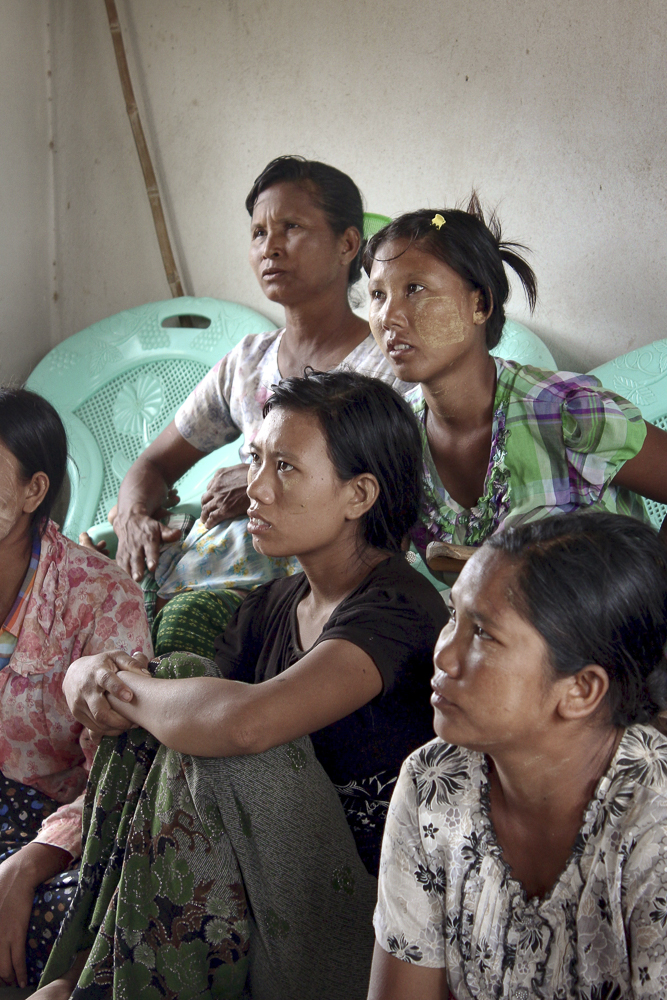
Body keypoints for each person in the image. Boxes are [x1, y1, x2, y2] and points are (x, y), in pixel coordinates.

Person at [33, 371, 448, 1000]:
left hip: (362, 935)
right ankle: (86, 977)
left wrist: (120, 683)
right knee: (176, 710)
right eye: (256, 460)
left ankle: (93, 984)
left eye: (285, 467)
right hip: (256, 897)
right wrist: (85, 674)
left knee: (195, 703)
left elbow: (246, 724)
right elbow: (173, 731)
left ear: (359, 494)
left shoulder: (400, 608)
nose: (255, 488)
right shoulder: (271, 605)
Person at [108, 156, 411, 657]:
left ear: (348, 245)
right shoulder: (248, 361)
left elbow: (391, 512)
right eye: (257, 232)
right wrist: (134, 517)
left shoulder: (385, 371)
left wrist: (255, 480)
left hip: (288, 596)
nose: (269, 247)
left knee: (171, 646)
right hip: (194, 568)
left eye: (291, 227)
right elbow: (154, 464)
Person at [369, 511, 667, 1000]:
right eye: (452, 616)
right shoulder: (434, 781)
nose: (443, 655)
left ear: (581, 689)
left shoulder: (654, 827)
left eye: (483, 633)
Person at [363, 198, 667, 573]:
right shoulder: (397, 439)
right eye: (378, 294)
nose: (388, 316)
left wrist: (654, 594)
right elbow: (401, 559)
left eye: (415, 289)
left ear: (480, 304)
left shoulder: (567, 412)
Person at [0, 387, 152, 991]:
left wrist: (28, 864)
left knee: (69, 922)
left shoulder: (102, 598)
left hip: (64, 824)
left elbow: (119, 780)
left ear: (33, 491)